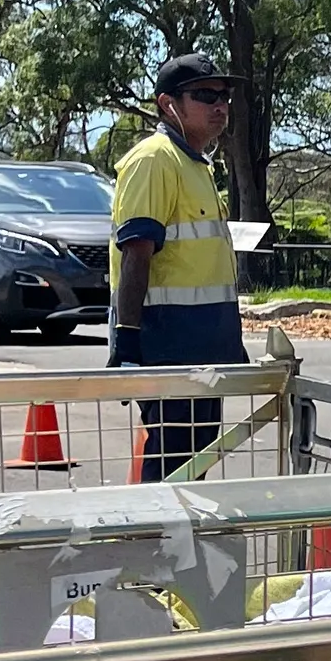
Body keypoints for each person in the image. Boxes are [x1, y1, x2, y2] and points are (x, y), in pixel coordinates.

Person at [108, 53, 247, 479]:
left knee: (193, 466)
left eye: (225, 95)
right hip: (169, 348)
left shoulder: (195, 164)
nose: (220, 105)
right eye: (205, 95)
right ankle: (158, 544)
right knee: (172, 470)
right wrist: (128, 345)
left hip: (206, 351)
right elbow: (137, 253)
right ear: (169, 104)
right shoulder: (154, 160)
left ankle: (179, 543)